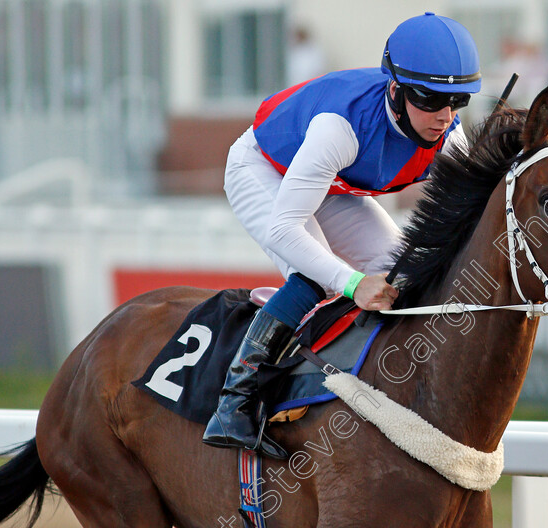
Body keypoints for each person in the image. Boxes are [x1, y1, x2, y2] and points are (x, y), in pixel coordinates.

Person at [202, 12, 481, 458]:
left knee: (399, 274)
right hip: (263, 168)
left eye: (457, 101)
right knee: (315, 274)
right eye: (429, 99)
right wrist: (351, 282)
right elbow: (284, 229)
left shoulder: (446, 132)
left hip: (332, 184)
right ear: (396, 89)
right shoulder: (341, 126)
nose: (443, 117)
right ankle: (235, 400)